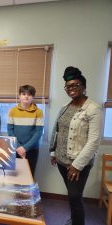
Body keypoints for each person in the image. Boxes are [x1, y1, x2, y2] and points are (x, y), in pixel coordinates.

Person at [49, 66, 102, 225]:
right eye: (68, 86)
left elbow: (94, 141)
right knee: (73, 196)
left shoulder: (93, 109)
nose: (71, 89)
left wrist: (77, 165)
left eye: (75, 85)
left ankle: (77, 222)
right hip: (61, 161)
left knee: (74, 197)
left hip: (77, 163)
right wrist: (53, 152)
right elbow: (57, 129)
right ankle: (74, 219)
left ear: (84, 87)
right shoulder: (65, 107)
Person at [7, 85, 44, 176]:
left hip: (32, 149)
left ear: (33, 97)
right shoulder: (13, 111)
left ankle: (27, 191)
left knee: (29, 174)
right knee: (15, 175)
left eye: (29, 94)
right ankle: (16, 191)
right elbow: (10, 130)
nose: (26, 96)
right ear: (19, 96)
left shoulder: (38, 112)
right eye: (23, 94)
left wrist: (25, 148)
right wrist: (19, 147)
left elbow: (38, 132)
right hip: (15, 148)